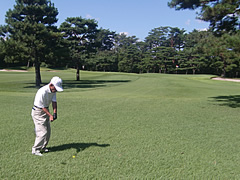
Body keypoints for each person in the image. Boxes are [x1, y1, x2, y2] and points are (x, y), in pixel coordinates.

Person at [31, 76, 63, 156]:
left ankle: (43, 147)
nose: (55, 90)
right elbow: (42, 107)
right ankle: (35, 149)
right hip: (38, 112)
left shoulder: (53, 91)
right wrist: (50, 115)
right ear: (51, 85)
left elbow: (54, 102)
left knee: (48, 132)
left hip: (45, 110)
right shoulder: (42, 91)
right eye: (55, 88)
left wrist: (55, 113)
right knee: (42, 132)